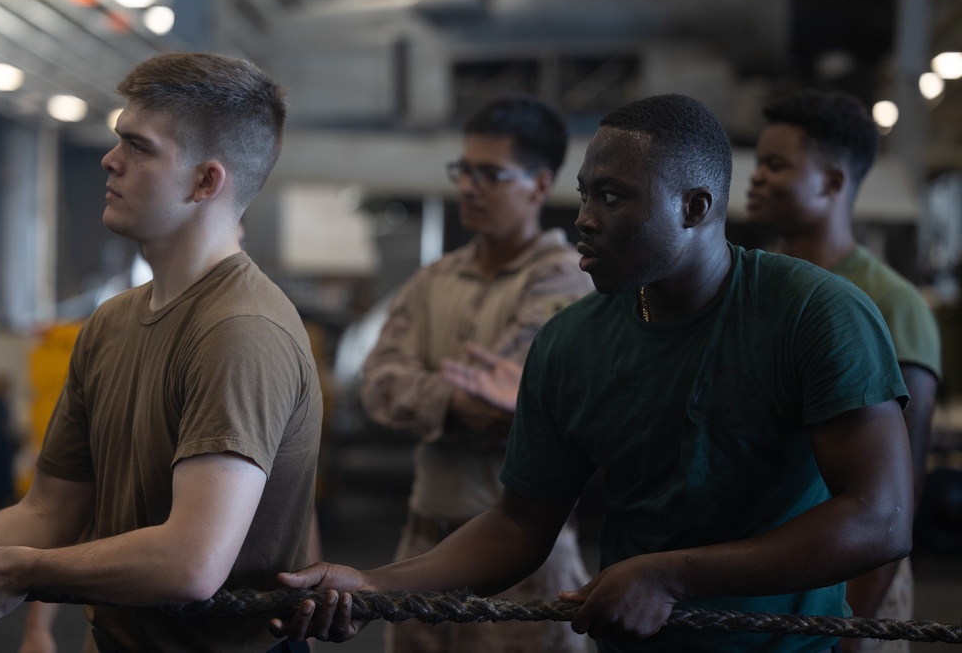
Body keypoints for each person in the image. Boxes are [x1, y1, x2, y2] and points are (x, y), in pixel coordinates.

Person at [270, 93, 915, 653]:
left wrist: (672, 576)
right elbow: (519, 525)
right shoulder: (572, 342)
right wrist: (377, 583)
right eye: (584, 195)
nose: (583, 218)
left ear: (694, 208)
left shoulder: (814, 313)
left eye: (613, 197)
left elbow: (880, 517)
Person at [0, 51, 323, 653]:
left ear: (206, 181)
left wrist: (17, 571)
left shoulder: (240, 331)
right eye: (117, 140)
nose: (110, 159)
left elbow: (190, 562)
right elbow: (49, 511)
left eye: (139, 146)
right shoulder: (111, 323)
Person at [359, 94, 595, 653]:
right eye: (464, 170)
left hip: (524, 561)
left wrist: (431, 394)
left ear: (539, 185)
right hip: (421, 543)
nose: (468, 185)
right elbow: (377, 382)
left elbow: (510, 406)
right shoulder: (433, 280)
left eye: (490, 173)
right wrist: (452, 399)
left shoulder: (565, 284)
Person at [745, 89, 942, 653]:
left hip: (855, 576)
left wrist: (854, 626)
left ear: (832, 183)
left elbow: (899, 490)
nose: (756, 178)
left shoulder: (888, 301)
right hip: (779, 564)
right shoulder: (757, 291)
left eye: (776, 164)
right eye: (758, 162)